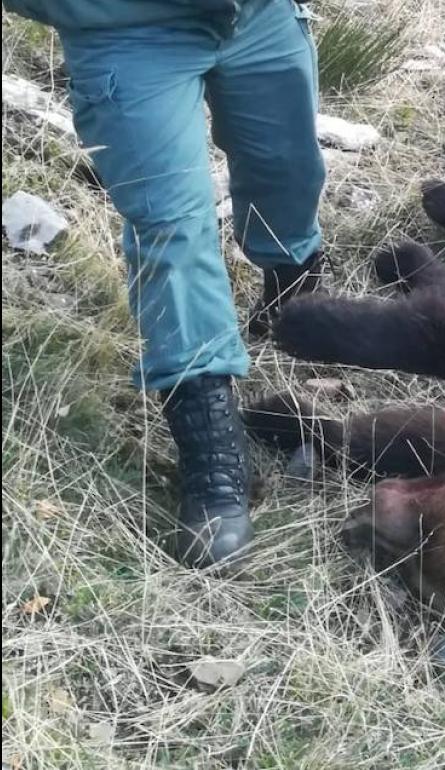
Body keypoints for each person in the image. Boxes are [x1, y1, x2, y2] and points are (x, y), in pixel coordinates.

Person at [3, 0, 329, 565]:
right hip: (130, 29)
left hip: (257, 16)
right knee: (172, 230)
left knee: (290, 174)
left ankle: (289, 293)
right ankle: (212, 455)